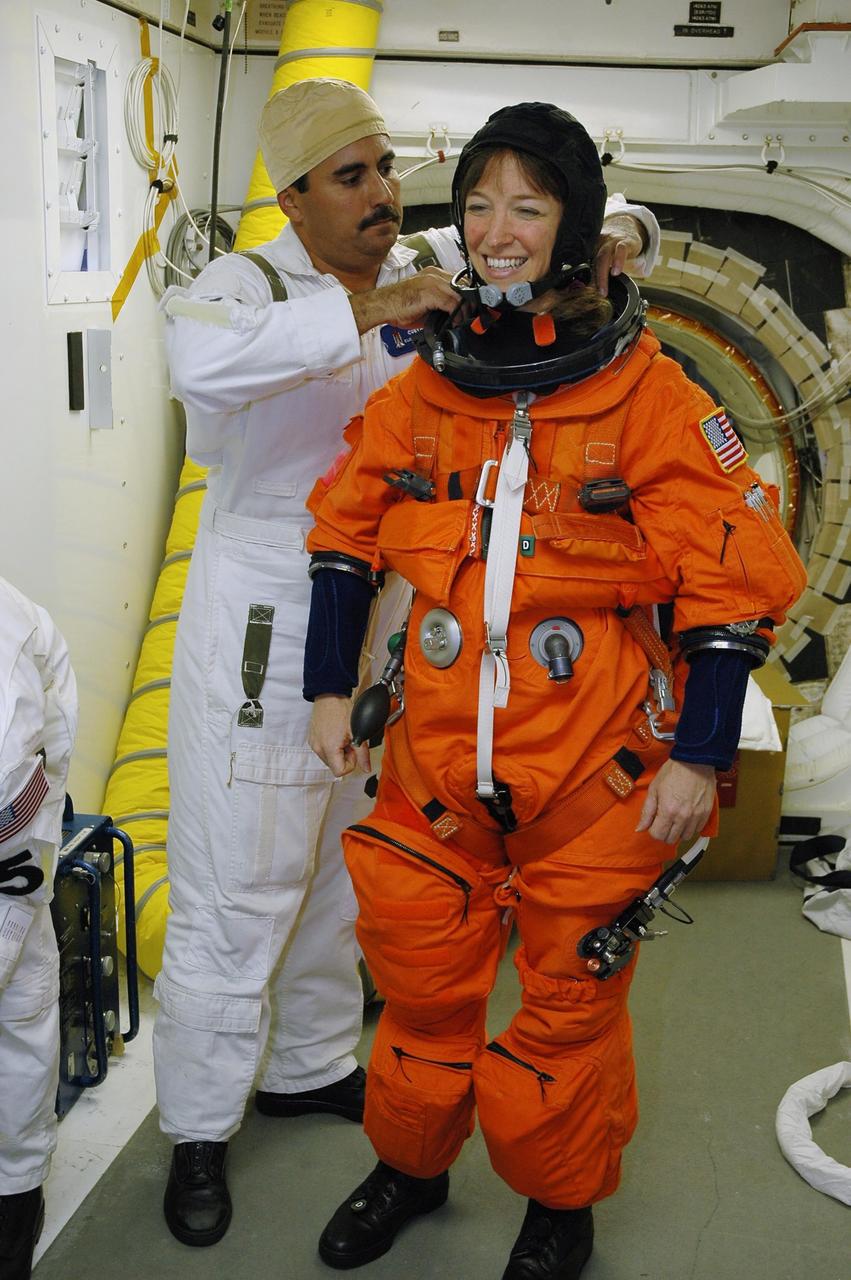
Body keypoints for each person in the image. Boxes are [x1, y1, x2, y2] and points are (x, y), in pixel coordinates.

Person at [304, 102, 808, 1278]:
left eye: (526, 206)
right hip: (434, 776)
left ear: (574, 226)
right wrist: (332, 689)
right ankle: (412, 1168)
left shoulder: (647, 397)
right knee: (421, 1001)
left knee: (562, 1023)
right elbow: (344, 529)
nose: (495, 230)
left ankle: (558, 1199)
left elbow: (726, 583)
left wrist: (696, 754)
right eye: (478, 204)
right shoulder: (427, 391)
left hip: (586, 780)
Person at [155, 76, 661, 1247]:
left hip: (397, 602)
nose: (385, 195)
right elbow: (199, 365)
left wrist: (608, 236)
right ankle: (195, 1124)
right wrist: (376, 305)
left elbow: (563, 207)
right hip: (273, 609)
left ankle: (313, 1060)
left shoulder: (428, 246)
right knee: (241, 882)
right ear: (291, 197)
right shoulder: (247, 285)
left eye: (387, 167)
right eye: (353, 177)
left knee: (359, 864)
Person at [0, 577, 78, 1280]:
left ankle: (15, 1192)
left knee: (18, 1006)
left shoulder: (7, 647)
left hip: (11, 834)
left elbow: (14, 797)